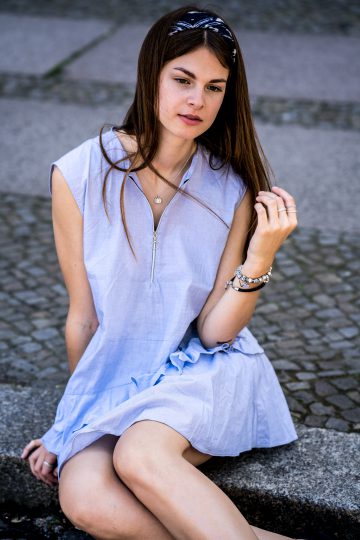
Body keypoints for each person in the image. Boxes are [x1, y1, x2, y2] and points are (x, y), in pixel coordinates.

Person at [21, 6, 300, 540]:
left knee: (139, 455)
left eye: (215, 87)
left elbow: (218, 331)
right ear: (150, 73)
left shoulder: (231, 188)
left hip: (200, 372)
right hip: (120, 383)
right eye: (183, 79)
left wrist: (259, 256)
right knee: (83, 498)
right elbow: (83, 318)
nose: (198, 100)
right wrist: (72, 421)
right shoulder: (78, 174)